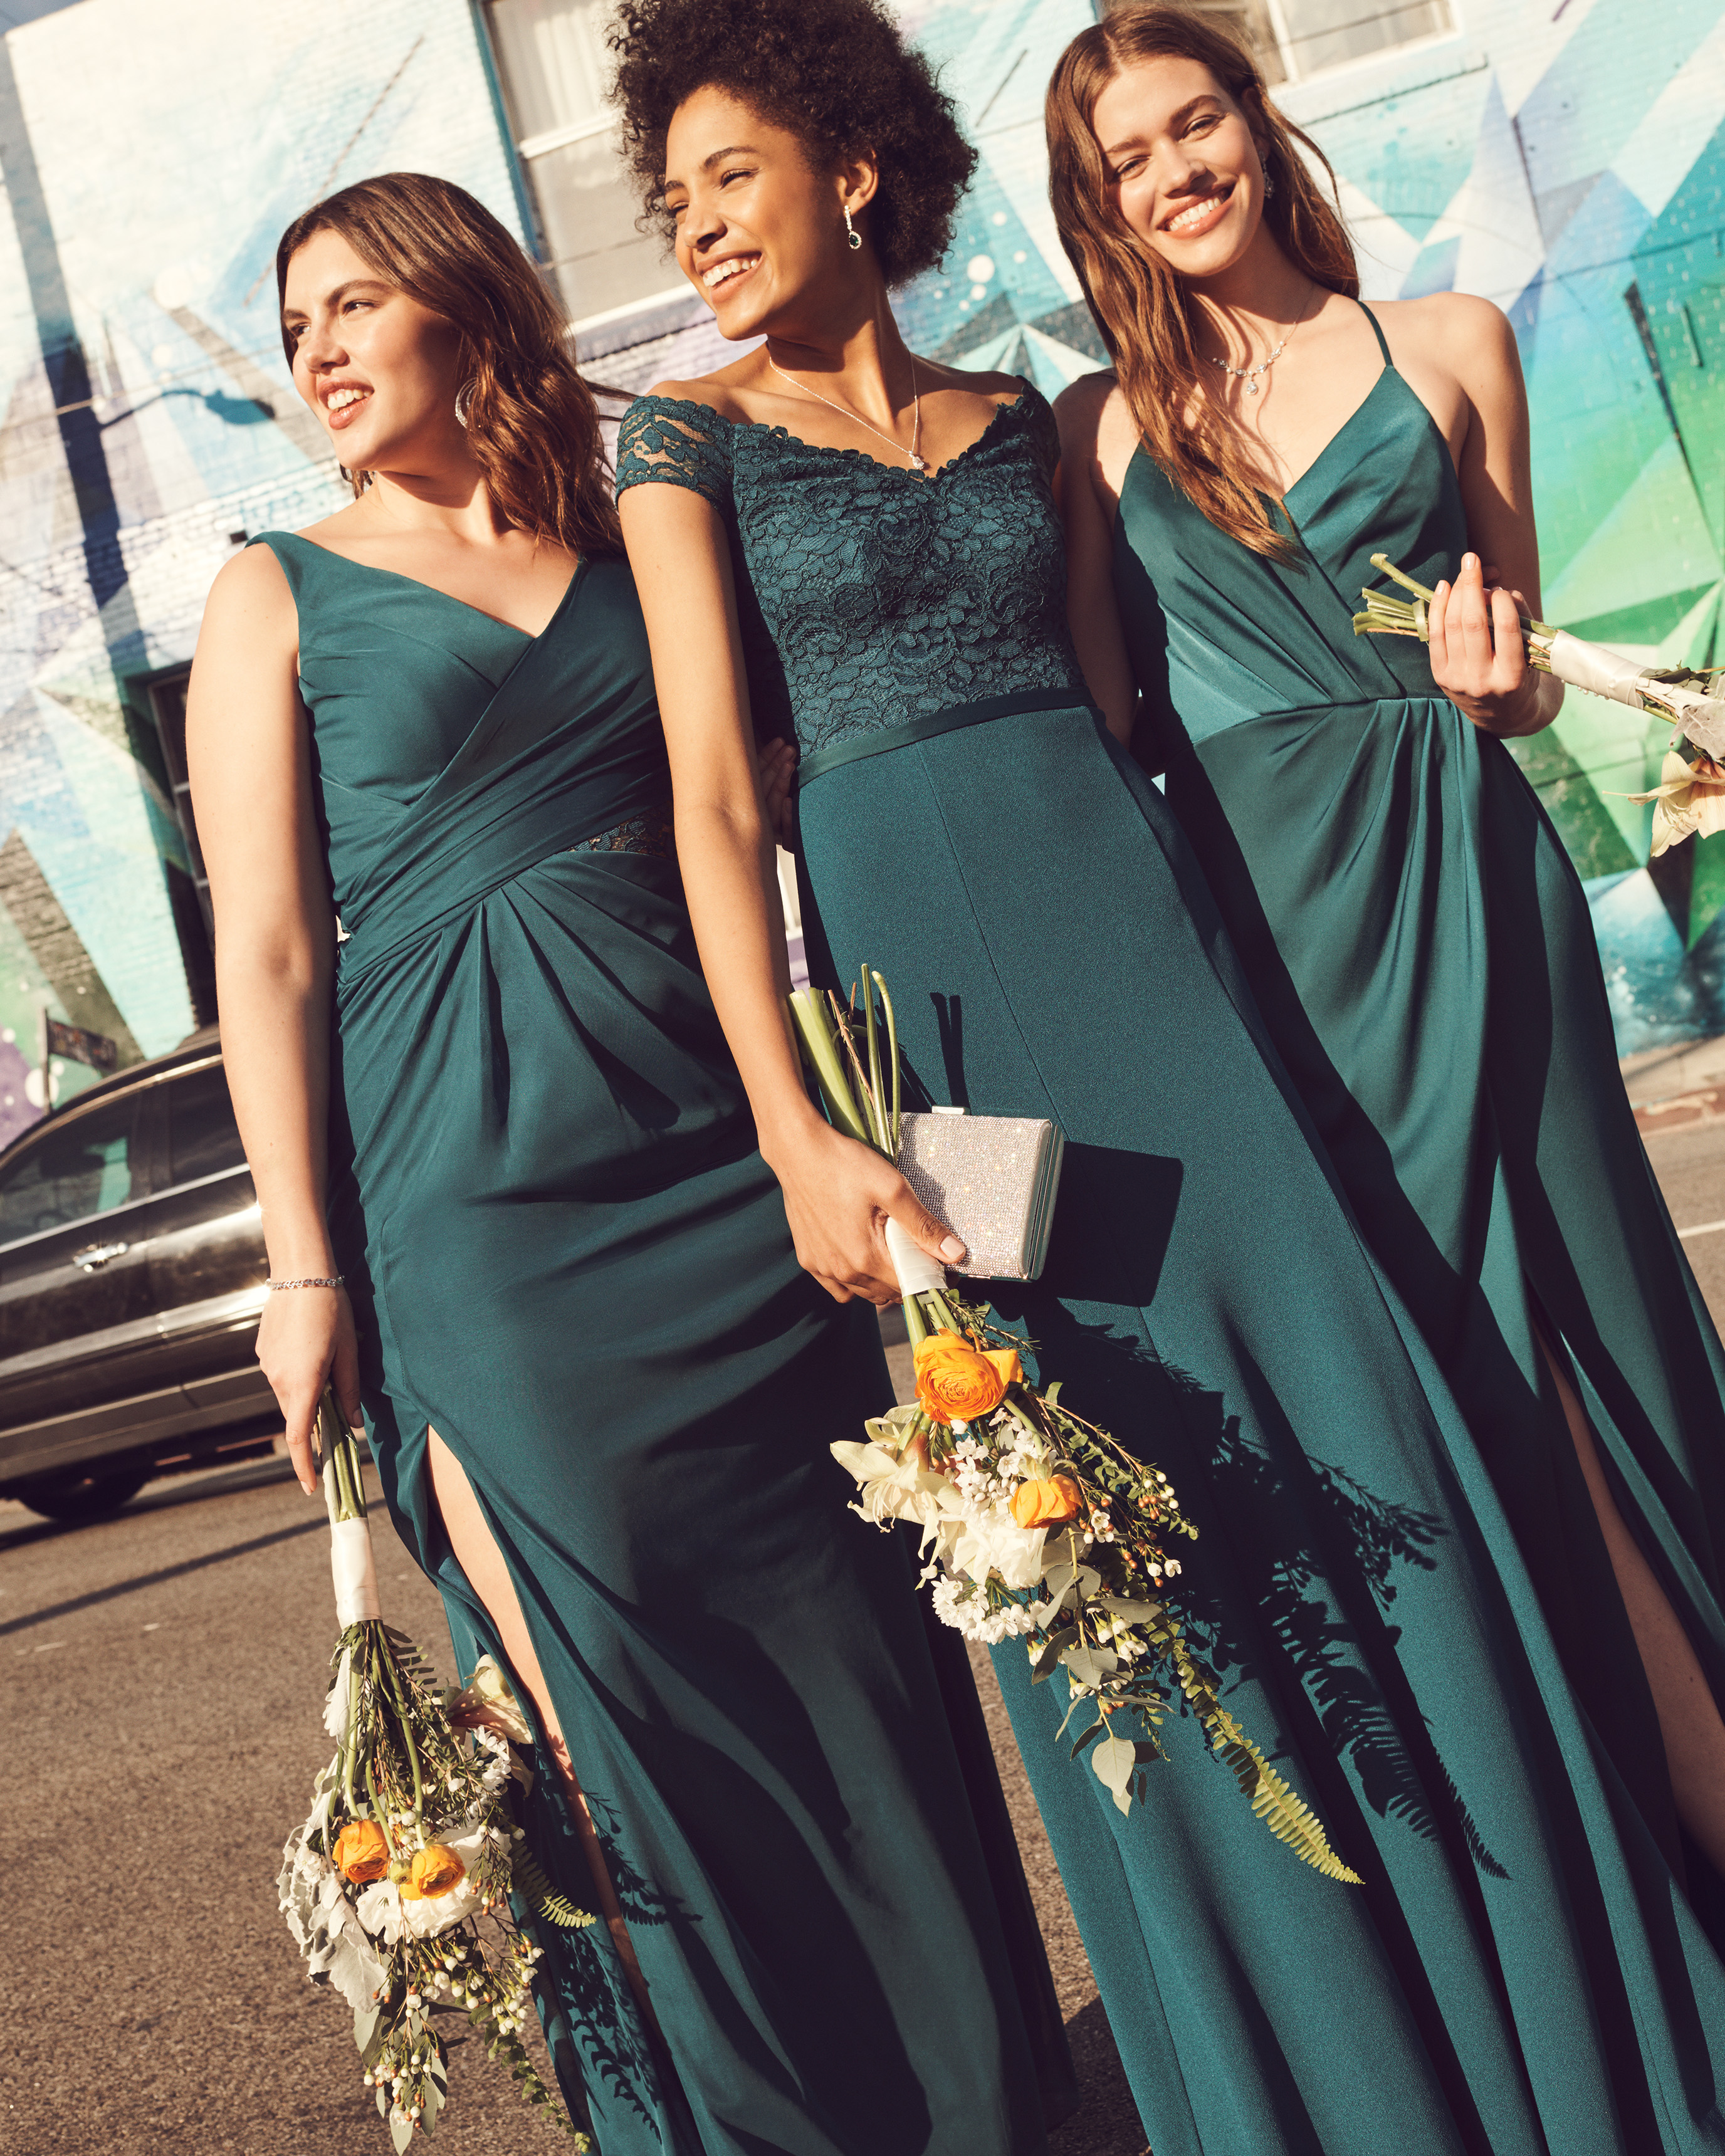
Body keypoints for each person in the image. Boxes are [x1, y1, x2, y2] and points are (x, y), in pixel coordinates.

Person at [609, 3, 1725, 2150]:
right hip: (941, 1039)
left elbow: (1153, 711)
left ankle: (1555, 2034)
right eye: (670, 199)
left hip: (1180, 984)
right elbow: (711, 806)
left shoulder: (1032, 414)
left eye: (725, 178)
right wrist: (793, 1124)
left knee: (1364, 1457)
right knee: (1112, 1522)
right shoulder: (690, 443)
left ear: (852, 171)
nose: (695, 226)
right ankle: (1332, 2084)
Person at [185, 170, 1062, 2156]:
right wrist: (303, 1266)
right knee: (619, 1700)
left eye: (352, 305)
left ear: (464, 310)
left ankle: (973, 2104)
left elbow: (740, 815)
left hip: (718, 1166)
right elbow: (267, 948)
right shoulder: (277, 588)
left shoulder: (632, 538)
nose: (315, 350)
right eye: (295, 319)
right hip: (473, 1212)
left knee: (851, 1660)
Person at [1045, 3, 1725, 2145]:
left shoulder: (1451, 341)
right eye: (1131, 158)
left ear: (1260, 121)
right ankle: (1585, 1931)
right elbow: (1099, 751)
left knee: (1597, 1370)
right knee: (1446, 1435)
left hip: (1477, 896)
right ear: (1102, 210)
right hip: (1287, 967)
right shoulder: (1098, 436)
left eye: (1196, 122)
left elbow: (1517, 676)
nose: (1176, 172)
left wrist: (1504, 685)